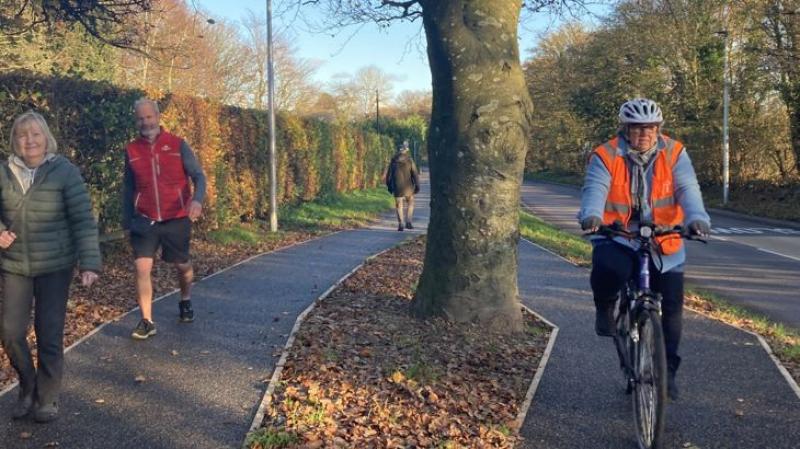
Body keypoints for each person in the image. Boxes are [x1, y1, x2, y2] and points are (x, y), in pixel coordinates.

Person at [578, 98, 710, 401]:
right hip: (619, 233)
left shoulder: (675, 153)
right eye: (636, 129)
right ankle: (605, 306)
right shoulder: (606, 154)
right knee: (612, 267)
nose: (643, 134)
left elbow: (687, 189)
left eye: (649, 128)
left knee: (674, 304)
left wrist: (697, 218)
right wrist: (592, 215)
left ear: (658, 129)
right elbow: (595, 188)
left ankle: (668, 372)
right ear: (625, 129)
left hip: (664, 238)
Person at [0, 111, 101, 422]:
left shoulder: (64, 171)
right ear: (14, 141)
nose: (29, 140)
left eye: (36, 134)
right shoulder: (3, 172)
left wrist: (89, 262)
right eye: (22, 135)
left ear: (46, 139)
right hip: (15, 264)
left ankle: (47, 397)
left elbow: (82, 219)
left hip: (55, 264)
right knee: (10, 331)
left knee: (49, 331)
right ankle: (28, 383)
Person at [122, 98, 206, 340]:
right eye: (140, 118)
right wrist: (127, 221)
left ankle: (186, 299)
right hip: (145, 219)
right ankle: (147, 321)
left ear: (158, 117)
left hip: (176, 217)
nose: (145, 122)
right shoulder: (131, 150)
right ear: (136, 120)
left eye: (149, 117)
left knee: (182, 265)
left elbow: (198, 176)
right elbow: (128, 187)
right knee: (142, 267)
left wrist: (197, 200)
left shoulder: (178, 144)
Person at [385, 140, 420, 231]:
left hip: (397, 187)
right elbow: (415, 174)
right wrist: (417, 185)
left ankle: (401, 223)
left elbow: (389, 175)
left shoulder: (393, 161)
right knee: (411, 203)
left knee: (398, 205)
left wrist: (389, 186)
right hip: (408, 187)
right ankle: (408, 222)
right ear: (406, 150)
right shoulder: (409, 160)